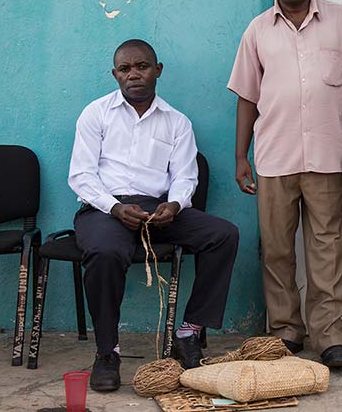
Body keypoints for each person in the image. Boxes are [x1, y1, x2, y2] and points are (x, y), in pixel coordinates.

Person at [227, 0, 342, 369]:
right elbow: (247, 96)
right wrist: (241, 156)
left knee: (328, 248)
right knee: (276, 249)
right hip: (274, 156)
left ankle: (329, 335)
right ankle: (285, 331)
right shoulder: (257, 30)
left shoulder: (340, 20)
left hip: (329, 156)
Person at [68, 39, 239, 391]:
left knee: (223, 235)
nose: (134, 74)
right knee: (105, 251)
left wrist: (174, 205)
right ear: (115, 74)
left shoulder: (176, 122)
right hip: (105, 209)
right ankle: (107, 352)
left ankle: (188, 333)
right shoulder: (96, 113)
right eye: (125, 69)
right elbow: (81, 175)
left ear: (157, 70)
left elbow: (186, 176)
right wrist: (114, 207)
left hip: (157, 209)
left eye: (142, 66)